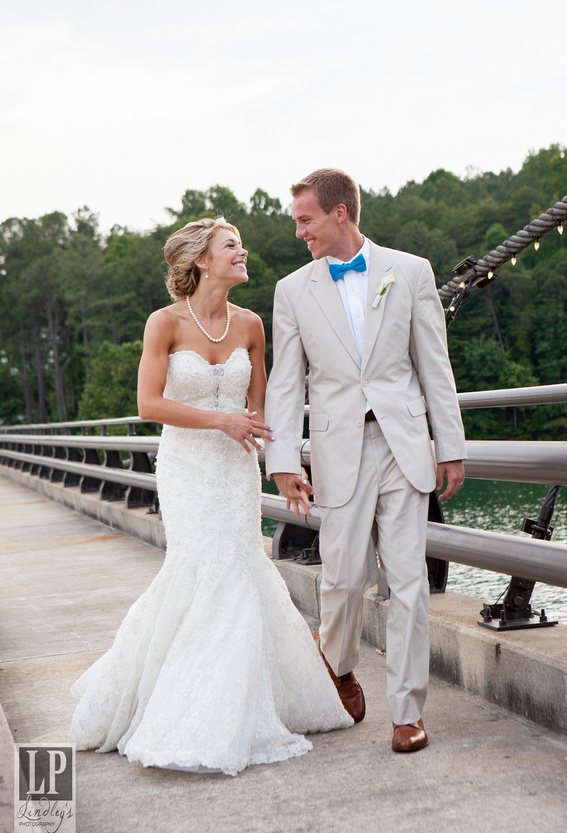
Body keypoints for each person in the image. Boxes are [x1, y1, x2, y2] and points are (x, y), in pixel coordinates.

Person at [69, 216, 353, 776]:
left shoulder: (250, 325)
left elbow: (265, 407)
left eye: (240, 245)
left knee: (239, 570)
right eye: (231, 245)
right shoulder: (164, 323)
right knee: (201, 570)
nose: (242, 252)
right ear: (201, 259)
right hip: (188, 468)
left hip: (235, 471)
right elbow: (149, 404)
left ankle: (245, 703)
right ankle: (191, 712)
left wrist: (284, 467)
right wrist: (217, 419)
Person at [264, 169, 466, 752]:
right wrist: (283, 457)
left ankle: (408, 713)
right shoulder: (291, 290)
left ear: (340, 214)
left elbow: (434, 365)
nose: (300, 231)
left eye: (306, 219)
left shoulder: (410, 271)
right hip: (335, 449)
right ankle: (341, 665)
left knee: (408, 583)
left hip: (403, 446)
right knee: (343, 579)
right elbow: (285, 383)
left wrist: (448, 445)